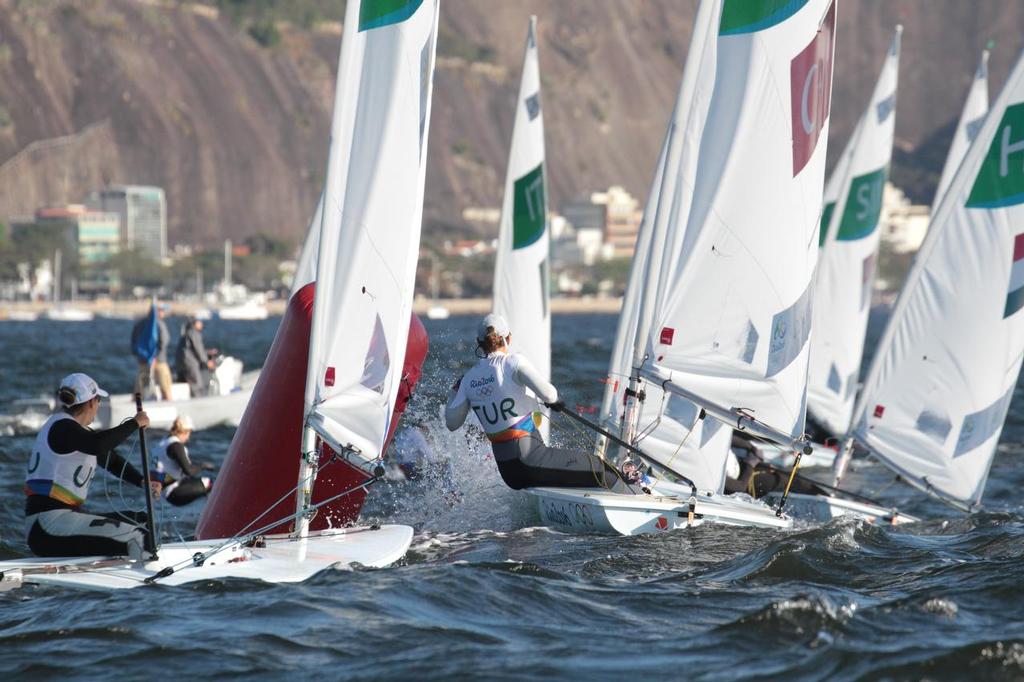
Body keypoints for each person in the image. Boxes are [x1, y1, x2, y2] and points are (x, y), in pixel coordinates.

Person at [445, 314, 630, 492]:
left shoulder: (468, 379)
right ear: (507, 338)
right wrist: (555, 401)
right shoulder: (512, 362)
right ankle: (636, 495)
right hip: (531, 460)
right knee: (600, 469)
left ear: (479, 344)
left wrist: (454, 392)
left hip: (510, 474)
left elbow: (452, 424)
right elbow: (549, 394)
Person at [24, 373, 160, 560]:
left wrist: (142, 481)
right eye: (98, 401)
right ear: (91, 402)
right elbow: (97, 445)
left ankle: (145, 558)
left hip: (63, 521)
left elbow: (112, 461)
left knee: (144, 521)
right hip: (47, 526)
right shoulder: (62, 428)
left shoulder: (76, 433)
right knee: (139, 536)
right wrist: (134, 423)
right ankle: (152, 576)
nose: (97, 407)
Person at [156, 416, 213, 506]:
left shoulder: (164, 441)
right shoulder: (176, 445)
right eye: (189, 433)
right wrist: (204, 466)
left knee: (201, 482)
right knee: (210, 484)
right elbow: (188, 471)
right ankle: (216, 515)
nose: (188, 438)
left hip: (167, 491)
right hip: (174, 492)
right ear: (185, 431)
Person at [132, 303, 173, 400]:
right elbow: (164, 340)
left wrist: (142, 356)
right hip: (159, 362)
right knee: (165, 387)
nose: (163, 313)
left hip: (143, 361)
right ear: (157, 311)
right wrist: (155, 357)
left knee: (139, 390)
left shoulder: (140, 324)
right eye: (162, 310)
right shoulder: (159, 324)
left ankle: (136, 409)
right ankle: (169, 406)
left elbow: (134, 342)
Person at [175, 317, 215, 397]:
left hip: (181, 364)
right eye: (200, 322)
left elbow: (191, 349)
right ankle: (197, 405)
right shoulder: (194, 333)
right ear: (195, 323)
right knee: (197, 385)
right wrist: (207, 362)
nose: (201, 324)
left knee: (186, 383)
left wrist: (207, 352)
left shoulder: (186, 333)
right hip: (190, 364)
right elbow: (198, 350)